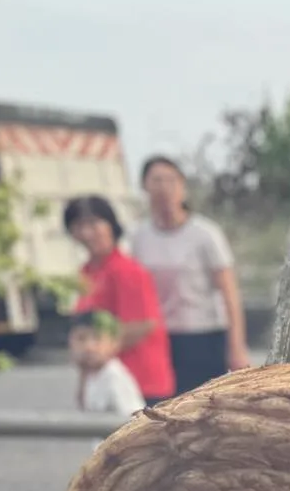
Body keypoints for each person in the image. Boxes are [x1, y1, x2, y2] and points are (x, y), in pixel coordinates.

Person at [129, 155, 249, 396]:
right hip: (162, 338)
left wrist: (237, 346)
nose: (164, 188)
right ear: (145, 186)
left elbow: (229, 293)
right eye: (157, 181)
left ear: (182, 186)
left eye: (171, 181)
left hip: (204, 335)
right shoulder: (139, 237)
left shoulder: (205, 234)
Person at [64, 195, 173, 402]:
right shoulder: (86, 272)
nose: (87, 233)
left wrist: (97, 351)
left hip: (138, 382)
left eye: (93, 224)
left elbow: (143, 324)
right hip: (104, 382)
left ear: (111, 225)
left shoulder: (127, 270)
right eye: (78, 226)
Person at [68, 318, 145, 421]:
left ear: (114, 343)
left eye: (97, 339)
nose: (89, 347)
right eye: (81, 339)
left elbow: (135, 421)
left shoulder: (114, 375)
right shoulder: (89, 374)